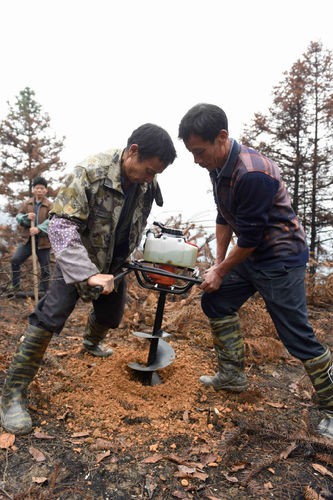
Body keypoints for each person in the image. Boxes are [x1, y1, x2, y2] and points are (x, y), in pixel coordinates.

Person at [0, 123, 177, 435]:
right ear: (132, 152)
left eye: (156, 173)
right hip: (77, 260)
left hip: (116, 262)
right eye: (149, 171)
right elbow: (61, 227)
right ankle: (12, 395)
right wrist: (88, 273)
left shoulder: (148, 184)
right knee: (48, 317)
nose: (151, 179)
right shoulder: (90, 172)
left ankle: (90, 343)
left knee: (111, 316)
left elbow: (138, 218)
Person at [178, 103, 333, 439]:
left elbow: (248, 237)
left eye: (199, 151)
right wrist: (219, 266)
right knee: (216, 303)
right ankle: (232, 377)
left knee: (297, 338)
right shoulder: (217, 166)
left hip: (279, 258)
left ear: (222, 137)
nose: (196, 160)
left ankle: (332, 406)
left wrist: (219, 271)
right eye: (191, 152)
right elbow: (224, 217)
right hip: (249, 256)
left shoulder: (252, 174)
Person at [10, 176, 52, 295]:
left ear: (46, 190)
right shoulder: (27, 203)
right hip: (28, 240)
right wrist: (26, 217)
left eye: (42, 188)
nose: (39, 190)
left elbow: (52, 220)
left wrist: (39, 229)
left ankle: (44, 292)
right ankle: (15, 289)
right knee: (15, 260)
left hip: (44, 241)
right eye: (37, 188)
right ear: (33, 189)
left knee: (45, 268)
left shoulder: (50, 205)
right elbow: (19, 217)